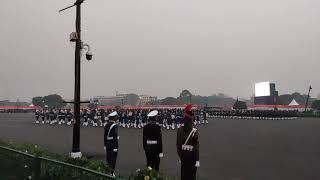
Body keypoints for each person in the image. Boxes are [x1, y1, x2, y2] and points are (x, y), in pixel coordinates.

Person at [176, 104, 200, 180]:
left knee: (184, 174)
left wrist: (180, 155)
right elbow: (196, 148)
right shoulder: (194, 131)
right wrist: (197, 159)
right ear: (191, 119)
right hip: (192, 155)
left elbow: (178, 144)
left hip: (183, 154)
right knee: (192, 175)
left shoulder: (180, 130)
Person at [104, 111, 119, 176]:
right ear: (114, 118)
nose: (117, 118)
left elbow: (105, 135)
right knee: (113, 159)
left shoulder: (106, 124)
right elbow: (115, 136)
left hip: (107, 143)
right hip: (113, 144)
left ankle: (107, 171)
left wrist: (104, 144)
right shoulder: (114, 125)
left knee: (108, 158)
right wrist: (116, 146)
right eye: (116, 117)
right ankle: (111, 172)